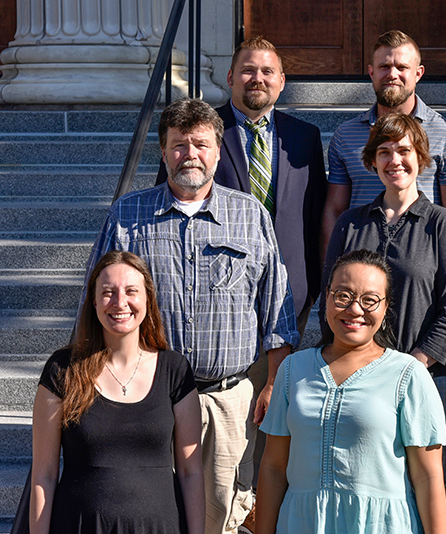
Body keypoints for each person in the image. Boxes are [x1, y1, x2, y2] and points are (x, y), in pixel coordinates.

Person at [85, 98, 300, 534]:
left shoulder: (249, 214)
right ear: (163, 153)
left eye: (200, 144)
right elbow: (97, 301)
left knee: (218, 513)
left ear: (218, 152)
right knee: (149, 507)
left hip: (226, 398)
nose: (190, 154)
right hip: (147, 397)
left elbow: (276, 305)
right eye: (178, 145)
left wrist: (275, 382)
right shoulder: (128, 215)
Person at [321, 113, 446, 491]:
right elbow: (332, 299)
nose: (394, 160)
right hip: (356, 380)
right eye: (383, 152)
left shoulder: (441, 223)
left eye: (404, 150)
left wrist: (413, 364)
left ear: (421, 158)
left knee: (427, 495)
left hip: (427, 377)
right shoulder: (351, 225)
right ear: (372, 162)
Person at [257, 249, 446, 534]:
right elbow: (273, 467)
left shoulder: (408, 374)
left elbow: (427, 476)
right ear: (327, 298)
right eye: (343, 296)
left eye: (369, 300)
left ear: (385, 309)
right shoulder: (292, 369)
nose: (355, 309)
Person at [155, 36, 327, 335]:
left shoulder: (305, 137)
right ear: (231, 77)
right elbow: (168, 202)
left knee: (278, 379)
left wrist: (312, 284)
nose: (257, 79)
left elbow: (315, 213)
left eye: (267, 71)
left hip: (291, 290)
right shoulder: (198, 134)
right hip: (214, 291)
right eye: (248, 70)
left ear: (282, 81)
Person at [31, 250, 204, 534]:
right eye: (108, 292)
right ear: (94, 301)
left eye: (131, 291)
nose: (120, 302)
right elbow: (44, 475)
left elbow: (191, 471)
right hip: (79, 526)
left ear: (147, 298)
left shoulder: (175, 370)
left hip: (160, 527)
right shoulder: (63, 370)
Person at [322, 29, 446, 257]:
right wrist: (332, 270)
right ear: (371, 72)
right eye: (384, 67)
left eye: (402, 67)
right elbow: (334, 209)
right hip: (360, 263)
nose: (392, 74)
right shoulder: (345, 136)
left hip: (422, 261)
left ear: (418, 73)